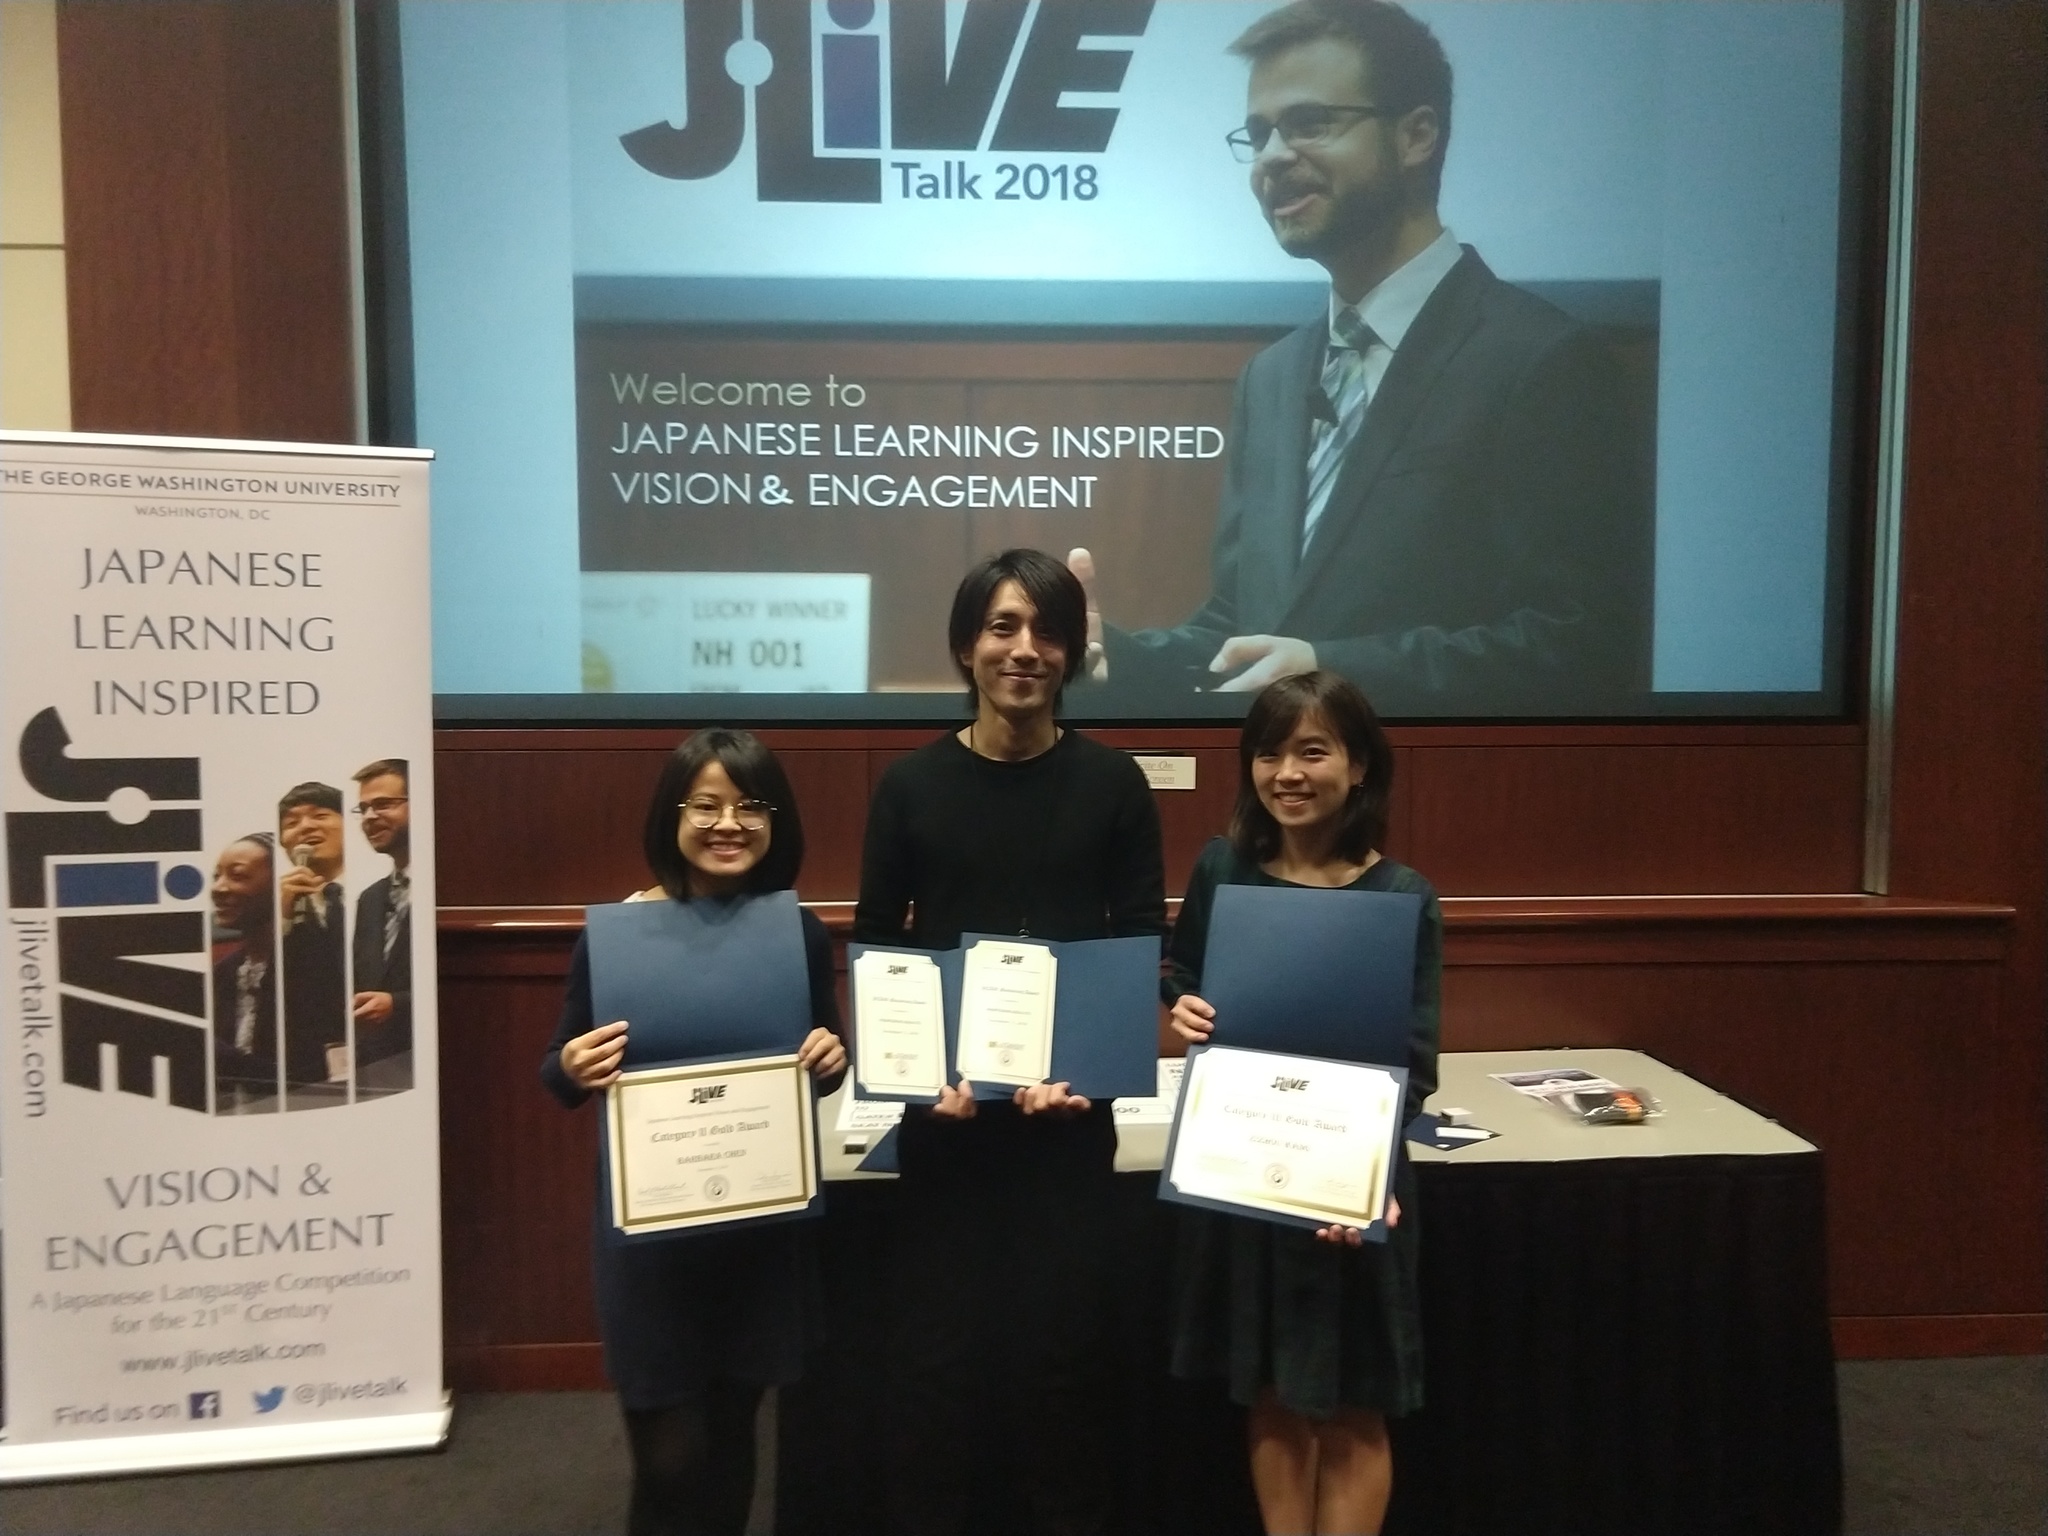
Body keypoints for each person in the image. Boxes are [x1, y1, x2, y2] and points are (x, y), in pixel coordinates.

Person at [1073, 0, 1649, 714]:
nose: (1273, 158)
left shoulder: (1542, 362)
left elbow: (1577, 644)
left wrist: (1333, 671)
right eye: (1258, 134)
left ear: (1416, 135)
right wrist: (1108, 656)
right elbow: (1249, 630)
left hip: (1455, 802)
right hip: (1281, 811)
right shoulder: (1273, 377)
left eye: (1310, 123)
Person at [853, 548, 1167, 1536]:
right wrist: (912, 1081)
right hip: (944, 1130)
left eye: (1044, 631)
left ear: (1069, 653)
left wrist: (1088, 1068)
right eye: (1000, 627)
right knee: (934, 1378)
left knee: (1060, 1375)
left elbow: (1134, 947)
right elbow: (878, 945)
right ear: (963, 647)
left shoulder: (1114, 784)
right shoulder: (907, 786)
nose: (1022, 650)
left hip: (1066, 1130)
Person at [542, 729, 847, 1536]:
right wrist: (572, 1064)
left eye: (751, 807)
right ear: (670, 816)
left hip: (760, 1237)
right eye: (706, 805)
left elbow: (830, 1060)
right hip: (654, 1247)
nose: (729, 823)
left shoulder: (797, 933)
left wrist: (828, 1056)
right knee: (671, 1459)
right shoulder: (618, 937)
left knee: (736, 1443)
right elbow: (557, 1075)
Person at [1165, 670, 1441, 1536]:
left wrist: (1361, 1185)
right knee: (1275, 1392)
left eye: (1312, 751)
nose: (1287, 771)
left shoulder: (1401, 896)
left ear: (1358, 768)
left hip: (1350, 1194)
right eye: (1269, 752)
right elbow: (1183, 973)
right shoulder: (1223, 869)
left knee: (1356, 1406)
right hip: (1248, 1177)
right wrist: (1183, 1006)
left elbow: (1414, 1060)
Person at [277, 781, 348, 1095]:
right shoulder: (269, 911)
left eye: (320, 815)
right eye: (292, 823)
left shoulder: (382, 897)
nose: (305, 827)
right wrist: (282, 917)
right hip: (303, 1074)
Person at [350, 758, 413, 1080]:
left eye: (383, 804)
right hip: (375, 1076)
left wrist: (397, 1006)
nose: (370, 817)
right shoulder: (370, 899)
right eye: (363, 808)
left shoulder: (451, 886)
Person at [210, 832, 278, 1108]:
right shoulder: (223, 973)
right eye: (217, 876)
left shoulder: (310, 968)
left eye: (237, 876)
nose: (219, 888)